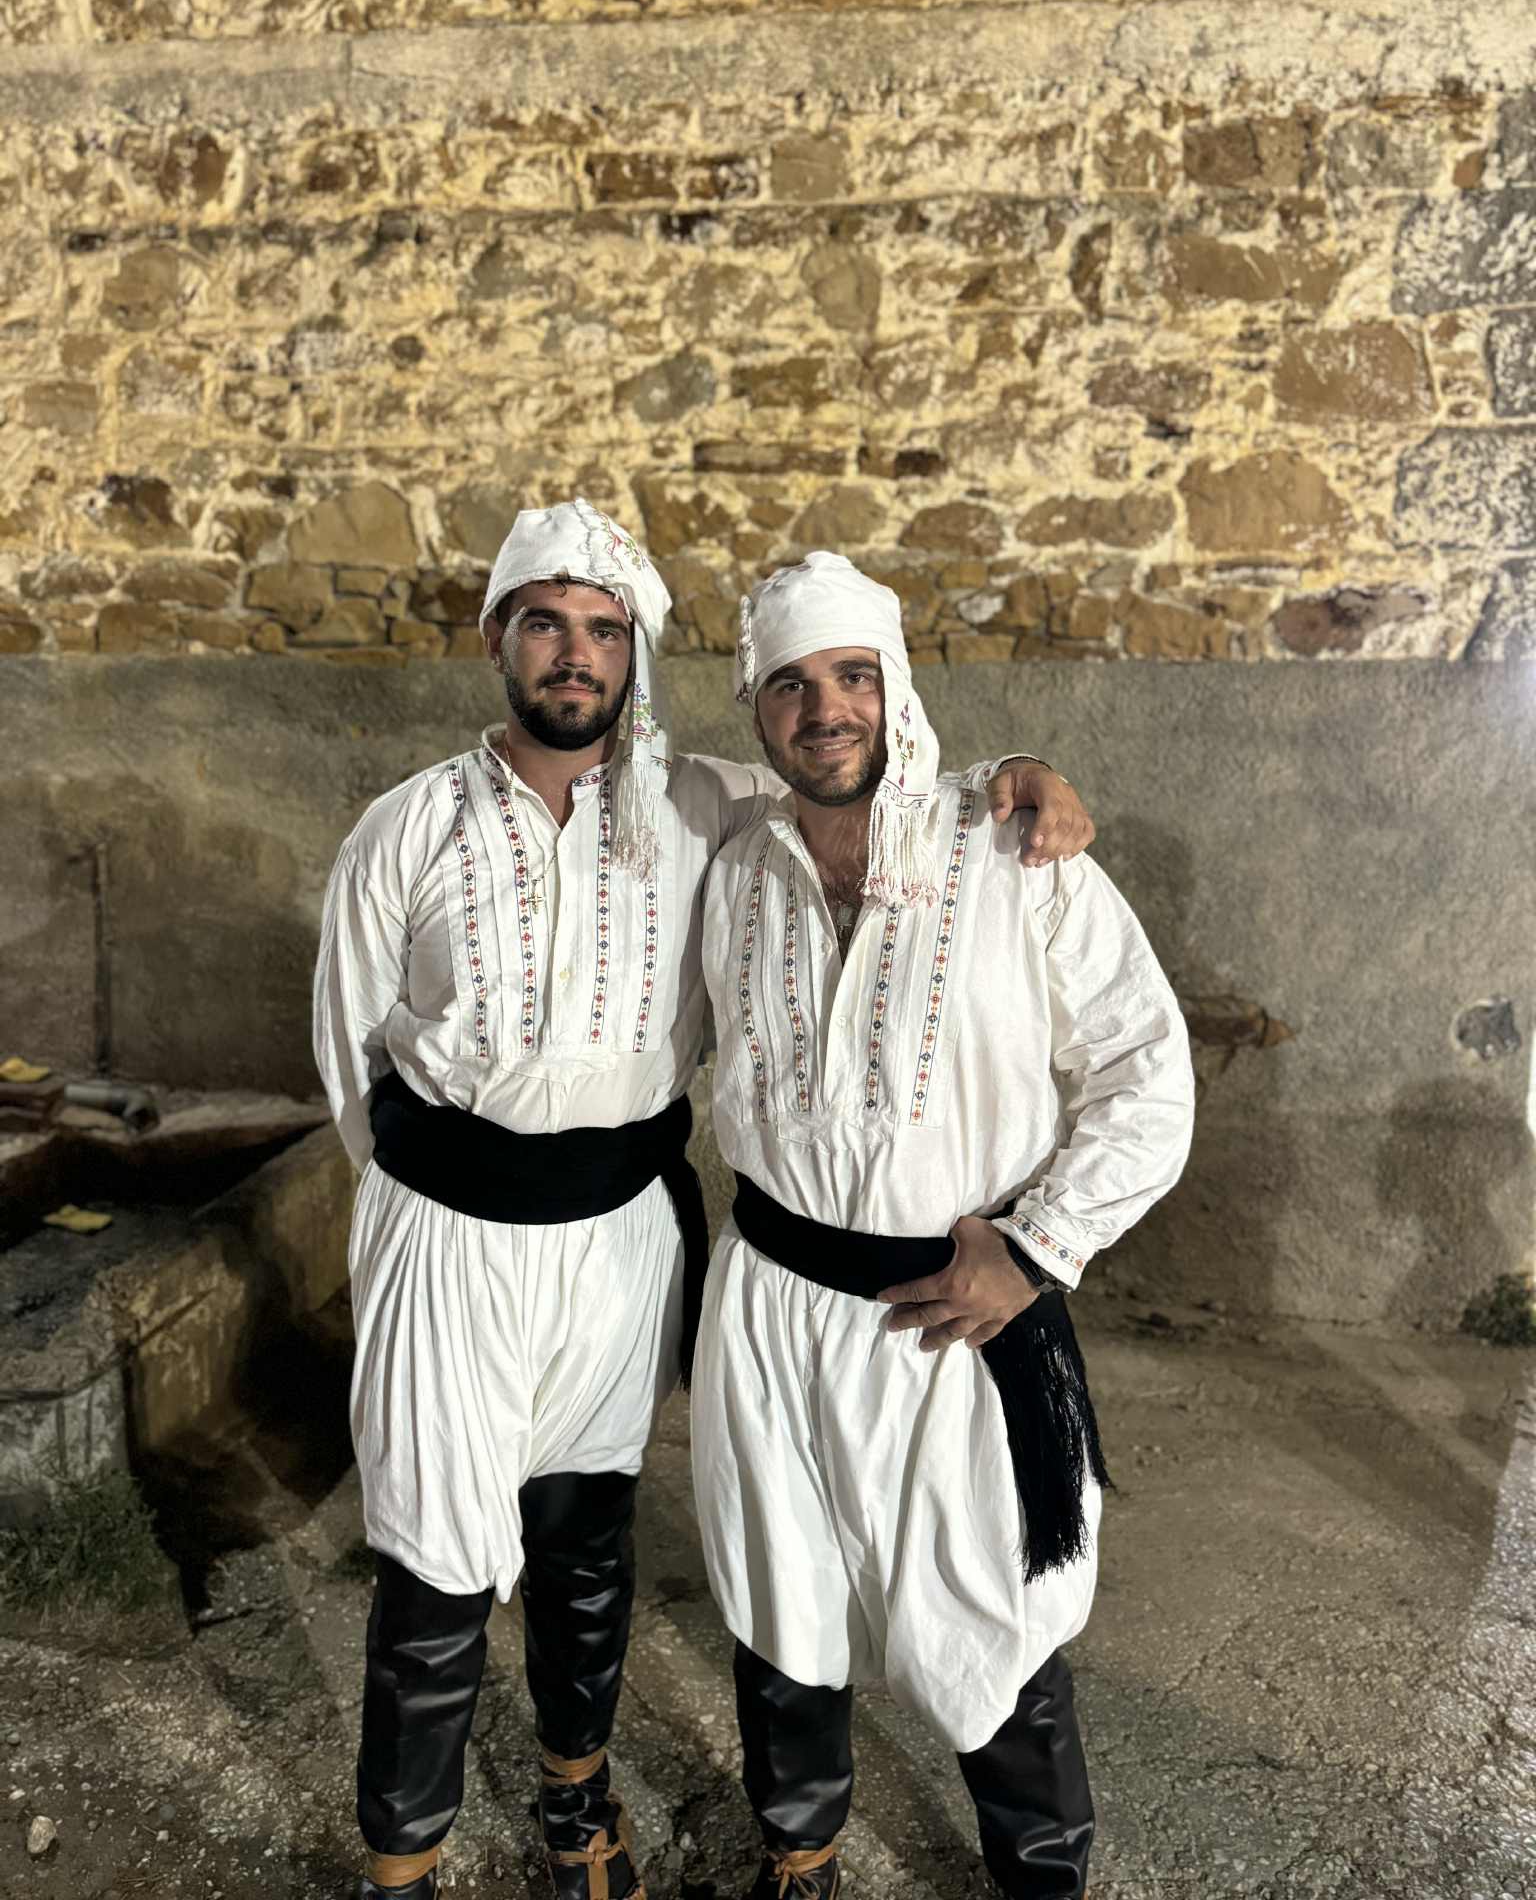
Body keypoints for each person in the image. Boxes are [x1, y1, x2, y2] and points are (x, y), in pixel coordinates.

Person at [312, 502, 1094, 1900]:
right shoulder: (405, 827)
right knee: (433, 1567)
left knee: (587, 1538)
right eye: (545, 623)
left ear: (637, 657)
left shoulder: (698, 805)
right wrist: (442, 1205)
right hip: (447, 1238)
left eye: (604, 631)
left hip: (619, 1242)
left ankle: (576, 1808)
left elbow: (855, 770)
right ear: (496, 639)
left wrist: (1014, 773)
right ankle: (401, 1870)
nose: (575, 654)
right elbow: (349, 1060)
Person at [694, 552, 1195, 1900]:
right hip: (773, 1308)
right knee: (782, 1600)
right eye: (791, 685)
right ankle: (799, 1854)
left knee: (992, 1611)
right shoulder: (735, 875)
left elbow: (1149, 1073)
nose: (826, 710)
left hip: (955, 1321)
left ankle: (1040, 1874)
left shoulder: (1014, 851)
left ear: (897, 686)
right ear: (755, 710)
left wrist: (1037, 1251)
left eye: (854, 676)